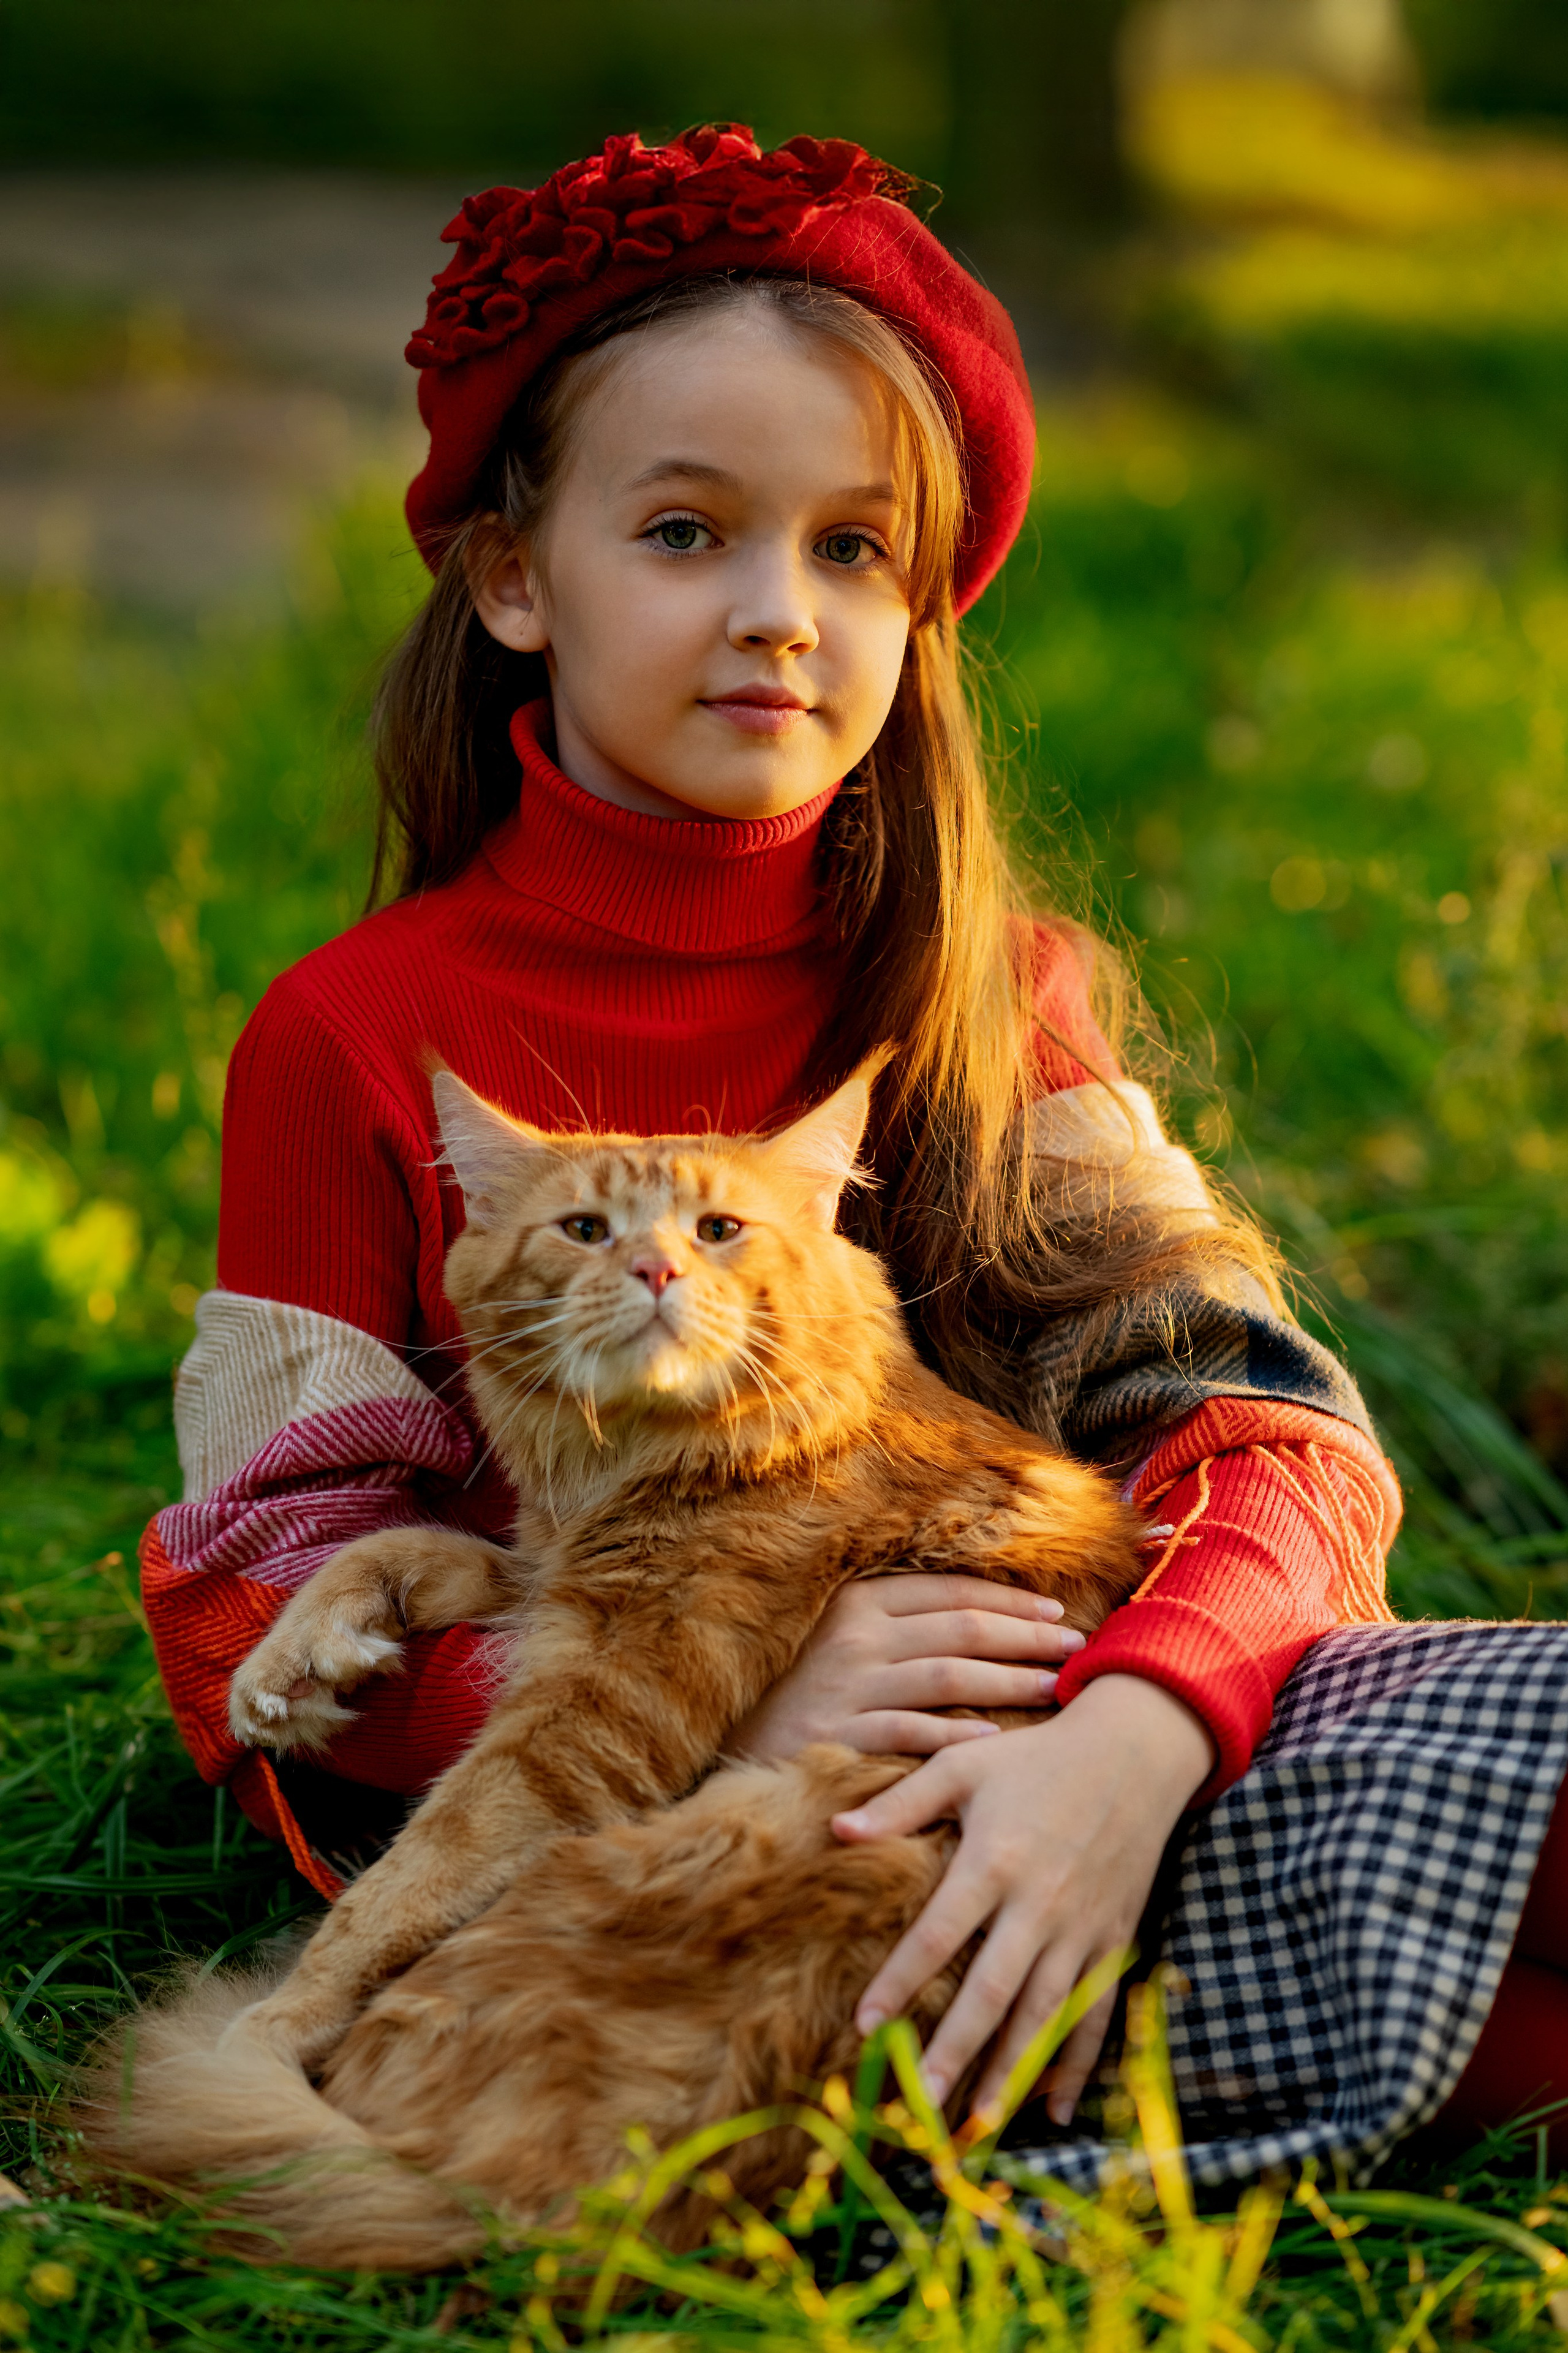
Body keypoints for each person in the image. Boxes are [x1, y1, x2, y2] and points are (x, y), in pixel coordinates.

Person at [138, 126, 1568, 2181]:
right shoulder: (356, 1033)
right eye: (688, 532)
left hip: (1110, 1745)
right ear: (517, 578)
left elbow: (1273, 1442)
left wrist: (1131, 1738)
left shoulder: (995, 991)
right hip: (700, 1859)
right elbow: (257, 1606)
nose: (777, 615)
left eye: (851, 551)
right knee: (1496, 2005)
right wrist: (720, 1697)